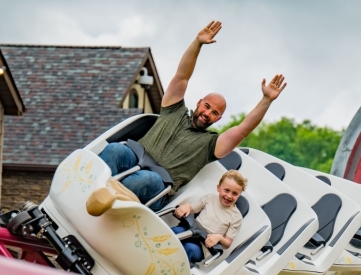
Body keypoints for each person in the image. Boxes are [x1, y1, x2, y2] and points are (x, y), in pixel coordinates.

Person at [97, 20, 286, 209]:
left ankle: (106, 200)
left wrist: (266, 100)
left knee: (146, 178)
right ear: (199, 103)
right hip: (134, 159)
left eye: (214, 113)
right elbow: (181, 77)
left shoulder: (211, 144)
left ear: (218, 119)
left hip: (156, 185)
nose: (207, 113)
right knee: (116, 150)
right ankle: (93, 188)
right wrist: (197, 43)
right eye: (207, 106)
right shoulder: (174, 110)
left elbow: (243, 129)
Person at [171, 170, 247, 263]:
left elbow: (227, 243)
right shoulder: (209, 198)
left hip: (203, 246)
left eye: (235, 193)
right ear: (218, 187)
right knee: (173, 232)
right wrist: (186, 206)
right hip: (190, 230)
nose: (229, 196)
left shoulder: (236, 217)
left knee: (189, 248)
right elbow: (192, 209)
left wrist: (219, 237)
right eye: (226, 190)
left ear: (239, 195)